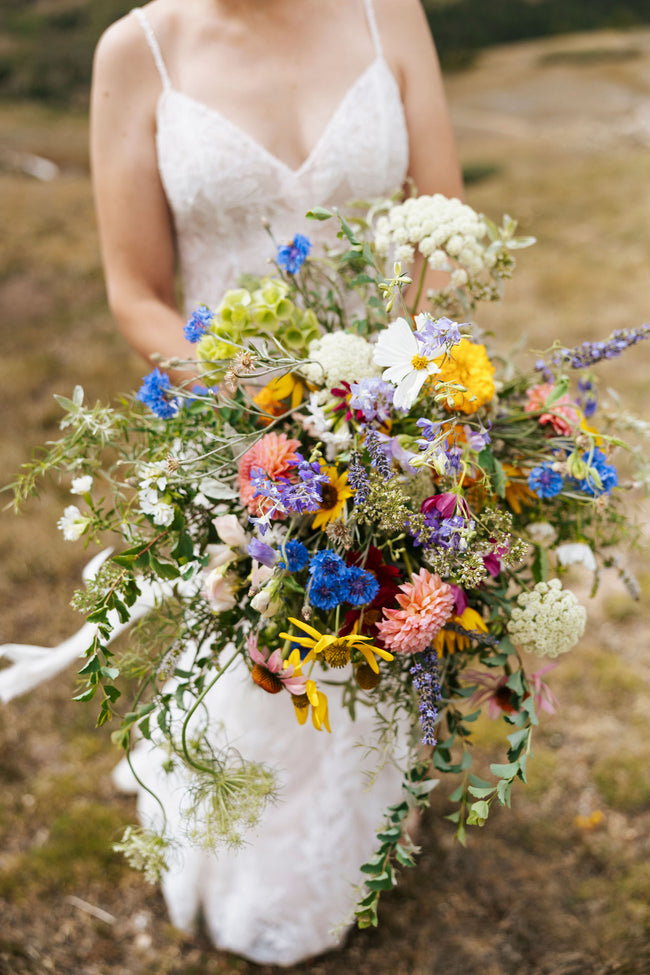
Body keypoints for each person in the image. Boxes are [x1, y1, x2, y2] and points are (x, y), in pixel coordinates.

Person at [98, 0, 463, 964]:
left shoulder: (393, 18)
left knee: (383, 626)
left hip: (393, 418)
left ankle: (372, 822)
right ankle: (246, 848)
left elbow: (441, 237)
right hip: (237, 434)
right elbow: (136, 290)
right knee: (267, 652)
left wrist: (397, 400)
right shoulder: (140, 51)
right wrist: (261, 404)